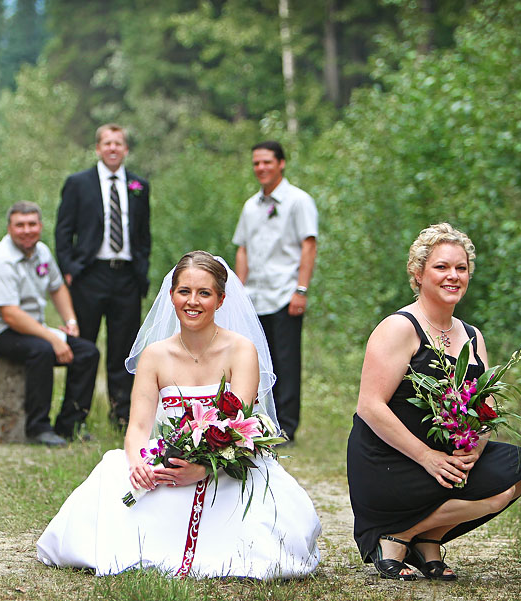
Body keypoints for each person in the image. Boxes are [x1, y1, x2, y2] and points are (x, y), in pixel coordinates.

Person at [36, 251, 321, 578]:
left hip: (227, 467)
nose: (193, 302)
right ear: (171, 295)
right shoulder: (155, 355)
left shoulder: (241, 350)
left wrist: (203, 469)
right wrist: (139, 462)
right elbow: (139, 426)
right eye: (184, 291)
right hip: (166, 462)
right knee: (115, 481)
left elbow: (242, 428)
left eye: (204, 293)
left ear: (221, 299)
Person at [346, 223, 521, 581]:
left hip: (447, 459)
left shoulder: (472, 335)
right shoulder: (400, 327)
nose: (453, 276)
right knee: (495, 497)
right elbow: (369, 406)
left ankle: (425, 536)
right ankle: (393, 536)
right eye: (441, 267)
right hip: (392, 459)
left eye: (461, 268)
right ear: (418, 273)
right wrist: (427, 456)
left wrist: (477, 447)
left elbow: (486, 409)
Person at [0, 201, 100, 447]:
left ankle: (70, 425)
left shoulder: (42, 252)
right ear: (10, 228)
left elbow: (57, 288)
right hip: (0, 332)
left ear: (40, 226)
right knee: (42, 350)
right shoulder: (1, 260)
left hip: (33, 329)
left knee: (87, 352)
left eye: (32, 224)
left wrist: (70, 321)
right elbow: (10, 315)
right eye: (20, 225)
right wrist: (53, 338)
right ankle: (38, 427)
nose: (27, 230)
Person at [55, 123, 151, 426]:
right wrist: (70, 270)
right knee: (84, 347)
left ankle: (122, 415)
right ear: (97, 148)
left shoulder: (139, 186)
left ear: (125, 149)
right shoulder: (78, 183)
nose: (112, 148)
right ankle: (74, 417)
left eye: (118, 143)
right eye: (107, 143)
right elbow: (63, 230)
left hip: (126, 277)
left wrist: (142, 268)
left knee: (124, 350)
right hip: (89, 275)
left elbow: (144, 235)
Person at [233, 140, 317, 442]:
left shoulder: (298, 201)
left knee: (286, 360)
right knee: (253, 361)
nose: (261, 168)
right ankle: (258, 422)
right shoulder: (250, 206)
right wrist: (238, 289)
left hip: (284, 293)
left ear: (281, 163)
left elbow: (308, 245)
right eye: (256, 163)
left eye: (267, 162)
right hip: (254, 296)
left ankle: (286, 426)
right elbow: (242, 247)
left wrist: (301, 289)